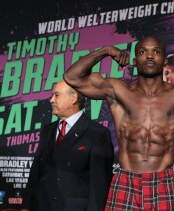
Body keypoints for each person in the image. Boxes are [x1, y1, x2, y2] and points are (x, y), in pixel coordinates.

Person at [63, 35, 174, 210]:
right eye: (142, 52)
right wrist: (105, 51)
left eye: (156, 52)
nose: (149, 56)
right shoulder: (117, 90)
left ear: (164, 61)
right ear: (135, 59)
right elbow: (72, 78)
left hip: (162, 180)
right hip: (127, 179)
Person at [21, 80, 114, 211]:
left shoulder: (97, 133)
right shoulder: (47, 130)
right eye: (52, 95)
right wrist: (26, 206)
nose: (51, 100)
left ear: (73, 98)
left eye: (57, 95)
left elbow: (99, 186)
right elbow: (35, 173)